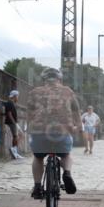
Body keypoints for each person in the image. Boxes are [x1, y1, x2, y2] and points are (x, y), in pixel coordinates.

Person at [25, 68, 80, 199]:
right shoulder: (68, 91)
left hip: (39, 131)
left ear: (44, 79)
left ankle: (37, 186)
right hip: (62, 131)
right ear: (59, 79)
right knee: (66, 155)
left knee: (38, 157)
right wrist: (77, 126)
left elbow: (29, 113)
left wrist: (29, 128)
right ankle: (67, 173)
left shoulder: (34, 92)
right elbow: (76, 111)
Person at [4, 90, 24, 159]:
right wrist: (14, 123)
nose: (18, 98)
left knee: (17, 136)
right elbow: (9, 114)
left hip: (13, 122)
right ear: (14, 96)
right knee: (17, 135)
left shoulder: (11, 103)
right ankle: (14, 151)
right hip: (12, 122)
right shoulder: (10, 103)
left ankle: (15, 152)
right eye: (17, 96)